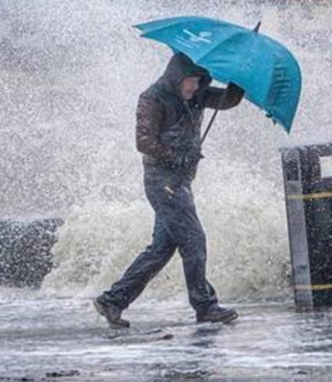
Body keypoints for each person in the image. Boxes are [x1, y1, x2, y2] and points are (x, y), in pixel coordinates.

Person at [94, 52, 244, 328]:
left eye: (199, 81)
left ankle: (112, 301)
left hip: (181, 182)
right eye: (190, 81)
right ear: (177, 77)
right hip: (162, 182)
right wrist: (176, 157)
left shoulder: (198, 94)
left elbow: (228, 100)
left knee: (161, 249)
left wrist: (239, 78)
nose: (194, 87)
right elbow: (143, 141)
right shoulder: (152, 98)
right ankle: (205, 306)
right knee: (194, 239)